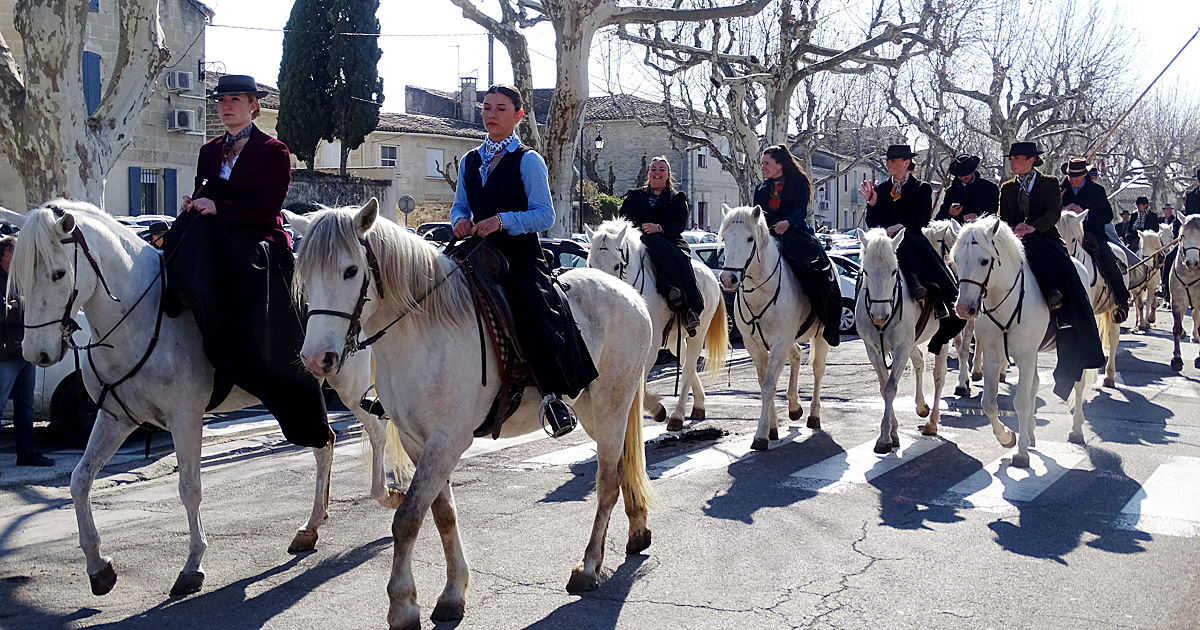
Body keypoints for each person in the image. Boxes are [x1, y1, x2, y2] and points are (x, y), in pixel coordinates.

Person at [161, 74, 331, 450]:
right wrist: (196, 202)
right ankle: (178, 294)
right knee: (182, 230)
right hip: (219, 238)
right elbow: (205, 191)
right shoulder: (209, 150)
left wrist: (218, 208)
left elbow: (268, 209)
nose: (226, 107)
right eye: (221, 101)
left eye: (234, 100)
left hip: (259, 238)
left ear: (253, 106)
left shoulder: (274, 150)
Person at [450, 84, 597, 438]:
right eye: (487, 107)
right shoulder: (469, 160)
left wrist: (502, 221)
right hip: (475, 250)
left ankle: (552, 396)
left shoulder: (528, 160)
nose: (491, 114)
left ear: (518, 116)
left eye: (500, 109)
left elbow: (545, 215)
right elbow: (459, 206)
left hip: (518, 256)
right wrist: (459, 220)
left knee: (530, 308)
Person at [998, 141, 1105, 399]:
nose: (1012, 163)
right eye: (1010, 159)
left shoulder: (1049, 183)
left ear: (1032, 160)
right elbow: (1003, 215)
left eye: (1017, 158)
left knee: (1061, 265)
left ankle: (1064, 308)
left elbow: (1054, 212)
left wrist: (1033, 227)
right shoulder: (1007, 187)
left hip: (1044, 236)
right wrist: (1013, 229)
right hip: (1014, 237)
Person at [753, 144, 842, 347]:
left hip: (795, 234)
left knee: (816, 273)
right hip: (768, 235)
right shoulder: (760, 188)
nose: (763, 167)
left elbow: (800, 211)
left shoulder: (798, 182)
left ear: (779, 165)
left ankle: (824, 317)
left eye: (767, 163)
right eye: (762, 164)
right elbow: (758, 215)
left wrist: (788, 223)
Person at [859, 144, 958, 320]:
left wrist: (900, 226)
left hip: (912, 237)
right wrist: (872, 205)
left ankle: (935, 296)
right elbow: (872, 223)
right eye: (888, 160)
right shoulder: (881, 189)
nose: (889, 164)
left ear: (907, 163)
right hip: (886, 240)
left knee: (910, 246)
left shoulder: (922, 187)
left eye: (893, 160)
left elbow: (922, 218)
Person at [618, 156, 703, 336]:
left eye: (662, 170)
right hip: (637, 239)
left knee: (674, 255)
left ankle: (687, 307)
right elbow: (623, 218)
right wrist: (639, 227)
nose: (657, 173)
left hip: (667, 240)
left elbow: (679, 224)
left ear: (668, 174)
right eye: (654, 169)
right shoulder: (634, 195)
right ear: (648, 173)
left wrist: (658, 228)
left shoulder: (677, 198)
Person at [0, 236, 52, 467]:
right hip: (4, 356)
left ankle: (27, 453)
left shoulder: (21, 279)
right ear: (6, 255)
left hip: (24, 351)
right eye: (17, 254)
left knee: (25, 407)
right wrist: (23, 307)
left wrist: (17, 306)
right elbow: (4, 312)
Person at [1060, 157, 1129, 323]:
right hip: (1064, 233)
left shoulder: (1097, 190)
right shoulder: (1061, 190)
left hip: (1092, 233)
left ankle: (1121, 300)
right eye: (1070, 176)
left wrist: (1085, 213)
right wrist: (1064, 210)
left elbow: (1107, 215)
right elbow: (1051, 210)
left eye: (1077, 176)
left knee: (1107, 257)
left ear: (1085, 174)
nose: (1073, 180)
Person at [935, 154, 999, 223]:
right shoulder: (951, 191)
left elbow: (993, 214)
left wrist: (979, 216)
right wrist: (950, 213)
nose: (963, 177)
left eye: (966, 174)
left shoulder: (990, 189)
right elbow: (940, 218)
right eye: (960, 175)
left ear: (973, 171)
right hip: (956, 228)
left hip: (981, 227)